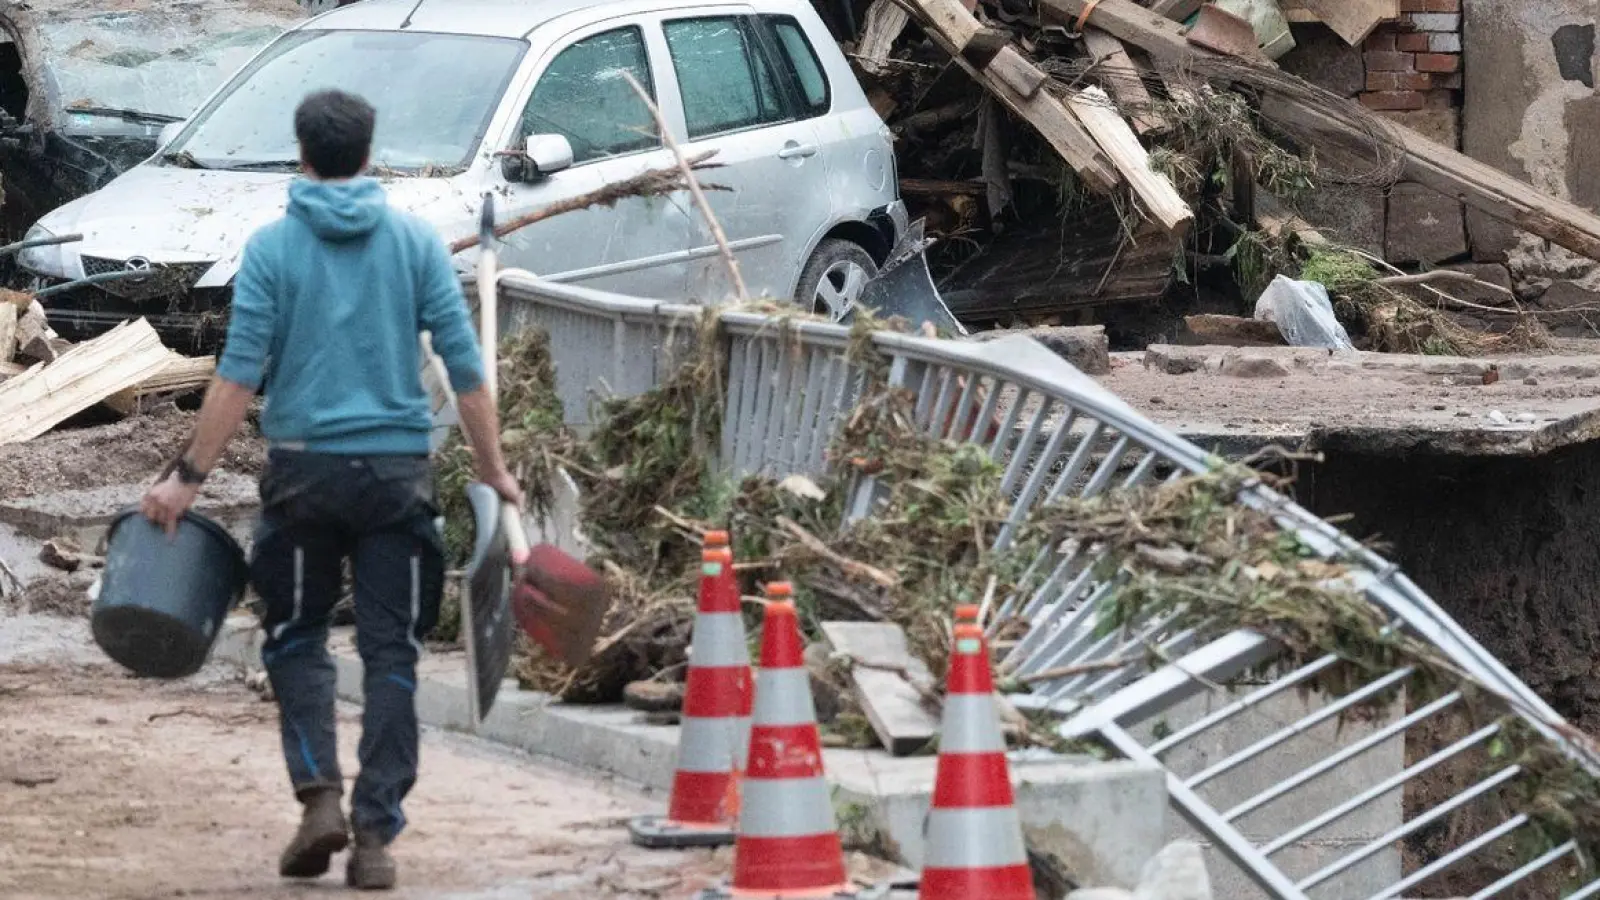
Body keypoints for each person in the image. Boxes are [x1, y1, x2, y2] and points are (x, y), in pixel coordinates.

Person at [141, 89, 522, 890]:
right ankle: (376, 836)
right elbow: (466, 369)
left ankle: (319, 796)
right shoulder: (417, 245)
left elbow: (238, 378)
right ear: (370, 151)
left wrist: (186, 478)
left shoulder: (274, 249)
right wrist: (494, 472)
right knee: (393, 653)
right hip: (394, 479)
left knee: (298, 637)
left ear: (302, 154)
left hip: (305, 477)